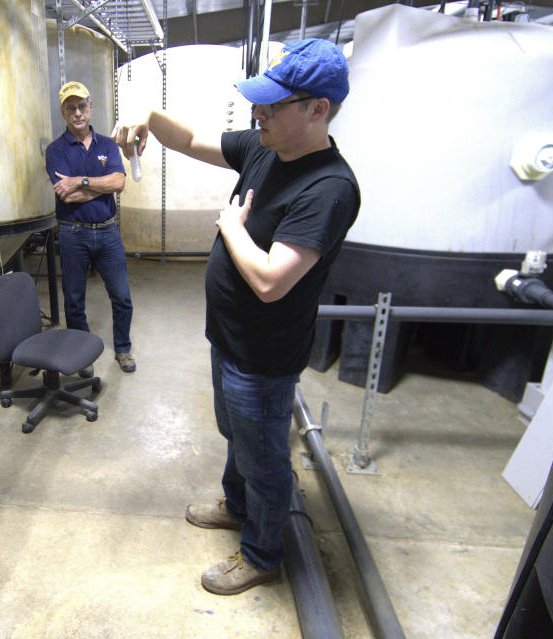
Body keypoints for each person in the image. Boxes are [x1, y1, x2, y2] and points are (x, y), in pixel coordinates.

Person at [113, 38, 360, 595]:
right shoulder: (266, 147)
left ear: (317, 109)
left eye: (273, 105)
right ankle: (237, 504)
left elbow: (273, 281)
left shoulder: (329, 187)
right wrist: (147, 114)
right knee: (235, 435)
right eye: (260, 103)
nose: (259, 113)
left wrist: (230, 227)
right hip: (228, 336)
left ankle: (261, 554)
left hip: (264, 355)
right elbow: (193, 139)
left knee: (266, 456)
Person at [45, 81, 136, 374]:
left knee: (121, 296)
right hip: (73, 233)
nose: (77, 113)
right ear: (63, 112)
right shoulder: (56, 150)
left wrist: (81, 181)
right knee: (74, 299)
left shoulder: (108, 145)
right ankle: (82, 354)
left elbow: (120, 183)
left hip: (108, 232)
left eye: (82, 106)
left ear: (90, 108)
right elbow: (65, 194)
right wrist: (102, 185)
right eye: (71, 108)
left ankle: (122, 348)